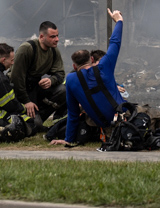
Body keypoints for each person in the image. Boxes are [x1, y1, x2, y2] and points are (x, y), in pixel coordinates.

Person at [51, 8, 125, 146]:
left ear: (74, 67)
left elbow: (73, 114)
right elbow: (115, 42)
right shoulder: (104, 66)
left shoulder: (71, 80)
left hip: (106, 129)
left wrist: (68, 140)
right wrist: (119, 21)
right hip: (126, 120)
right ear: (92, 59)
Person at [9, 20, 66, 124]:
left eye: (57, 36)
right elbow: (16, 79)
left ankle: (39, 116)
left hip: (35, 88)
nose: (57, 39)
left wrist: (50, 80)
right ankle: (31, 118)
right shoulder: (27, 49)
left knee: (63, 90)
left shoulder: (54, 51)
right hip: (18, 91)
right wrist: (26, 101)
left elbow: (60, 73)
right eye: (52, 37)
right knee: (34, 124)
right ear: (41, 37)